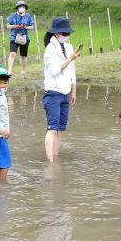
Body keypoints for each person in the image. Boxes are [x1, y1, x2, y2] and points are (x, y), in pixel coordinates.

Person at [43, 17, 80, 163]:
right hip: (53, 93)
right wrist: (69, 59)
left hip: (65, 93)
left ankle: (55, 157)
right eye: (64, 33)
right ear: (56, 33)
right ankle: (50, 161)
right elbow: (54, 71)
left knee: (60, 129)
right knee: (52, 128)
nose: (67, 36)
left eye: (68, 33)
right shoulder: (49, 50)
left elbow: (72, 70)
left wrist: (74, 90)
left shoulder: (69, 47)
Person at [6, 1, 35, 76]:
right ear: (17, 8)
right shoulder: (12, 16)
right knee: (12, 53)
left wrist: (26, 27)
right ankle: (9, 70)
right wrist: (14, 26)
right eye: (20, 7)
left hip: (25, 38)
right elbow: (8, 26)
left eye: (23, 7)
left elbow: (32, 26)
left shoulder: (28, 16)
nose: (22, 8)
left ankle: (23, 70)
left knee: (23, 56)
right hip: (14, 37)